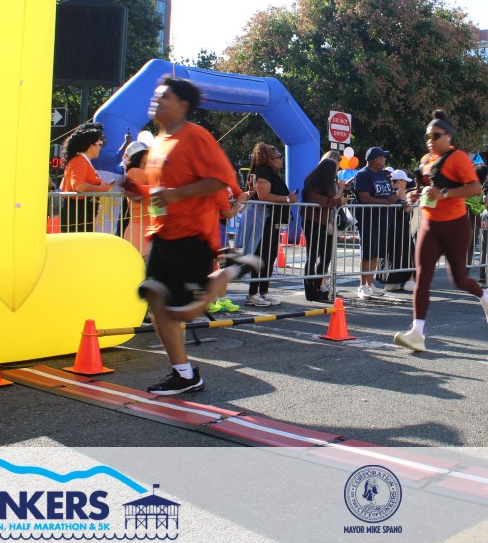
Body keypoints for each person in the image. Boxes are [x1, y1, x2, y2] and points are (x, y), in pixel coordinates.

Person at [137, 77, 259, 395]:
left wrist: (177, 195)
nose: (156, 100)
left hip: (192, 236)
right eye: (156, 95)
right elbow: (160, 190)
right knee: (156, 301)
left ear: (182, 105)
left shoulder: (196, 136)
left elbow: (221, 179)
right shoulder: (158, 142)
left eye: (164, 96)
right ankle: (184, 374)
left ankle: (233, 268)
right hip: (162, 234)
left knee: (186, 311)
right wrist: (140, 192)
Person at [392, 111, 488, 352]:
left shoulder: (458, 157)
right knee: (422, 278)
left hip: (454, 225)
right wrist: (414, 194)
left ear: (448, 137)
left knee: (458, 279)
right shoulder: (425, 160)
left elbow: (475, 188)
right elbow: (425, 189)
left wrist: (444, 193)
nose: (430, 140)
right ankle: (417, 333)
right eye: (427, 136)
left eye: (435, 135)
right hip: (429, 225)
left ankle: (486, 297)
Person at [245, 142, 297, 307]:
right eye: (278, 157)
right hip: (264, 218)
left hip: (272, 218)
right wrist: (287, 199)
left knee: (270, 255)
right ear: (269, 158)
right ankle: (253, 293)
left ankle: (264, 291)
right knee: (261, 255)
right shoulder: (263, 172)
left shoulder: (269, 173)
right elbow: (263, 196)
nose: (281, 160)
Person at [354, 147, 403, 298]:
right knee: (367, 253)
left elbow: (388, 194)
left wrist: (397, 201)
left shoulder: (382, 174)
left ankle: (370, 283)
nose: (385, 160)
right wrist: (386, 202)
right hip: (368, 219)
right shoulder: (363, 174)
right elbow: (364, 197)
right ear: (376, 160)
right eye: (383, 157)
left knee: (375, 253)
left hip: (383, 219)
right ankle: (362, 285)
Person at [300, 156, 345, 302]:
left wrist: (339, 195)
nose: (336, 172)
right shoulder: (312, 183)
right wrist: (337, 200)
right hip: (312, 221)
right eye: (334, 170)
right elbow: (320, 200)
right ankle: (310, 291)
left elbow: (330, 200)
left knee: (326, 256)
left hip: (325, 223)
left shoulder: (328, 183)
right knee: (312, 256)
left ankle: (318, 286)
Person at [59, 122, 114, 232]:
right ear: (91, 146)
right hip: (78, 212)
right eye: (99, 143)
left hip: (82, 210)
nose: (101, 146)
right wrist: (100, 189)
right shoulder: (79, 161)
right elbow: (79, 186)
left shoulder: (82, 160)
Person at [121, 140, 151, 256]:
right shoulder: (134, 172)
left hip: (146, 229)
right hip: (138, 231)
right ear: (139, 155)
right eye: (146, 152)